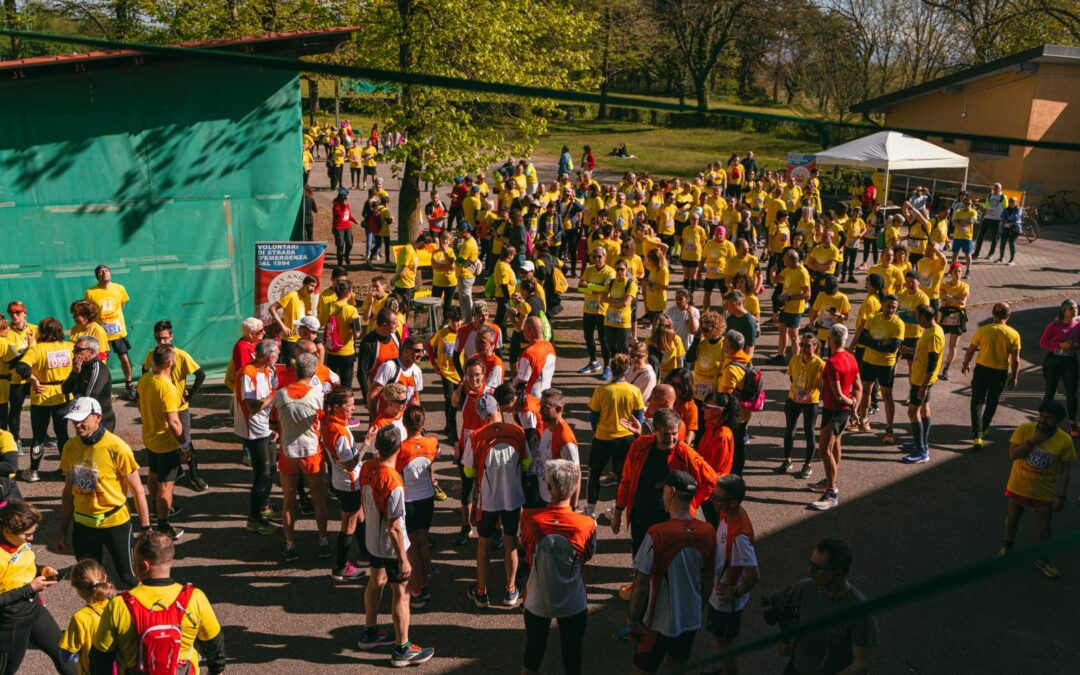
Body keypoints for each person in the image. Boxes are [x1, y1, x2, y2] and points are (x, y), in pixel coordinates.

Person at [89, 530, 226, 674]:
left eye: (134, 561)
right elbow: (215, 646)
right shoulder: (194, 598)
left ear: (144, 566)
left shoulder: (119, 605)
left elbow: (100, 658)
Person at [358, 426, 435, 665]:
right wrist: (403, 557)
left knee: (375, 581)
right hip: (389, 545)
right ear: (398, 448)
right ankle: (403, 649)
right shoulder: (393, 482)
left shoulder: (369, 467)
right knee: (401, 594)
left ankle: (370, 631)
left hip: (372, 539)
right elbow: (394, 526)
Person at [54, 397, 150, 589]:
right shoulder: (70, 447)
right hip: (83, 525)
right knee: (90, 581)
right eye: (74, 419)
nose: (77, 424)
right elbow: (68, 492)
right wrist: (62, 531)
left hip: (115, 524)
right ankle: (100, 617)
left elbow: (138, 490)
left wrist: (146, 528)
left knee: (129, 578)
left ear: (98, 417)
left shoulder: (117, 447)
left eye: (82, 419)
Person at [627, 471, 716, 675]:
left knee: (640, 671)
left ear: (672, 492)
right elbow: (709, 580)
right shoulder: (708, 531)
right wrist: (696, 607)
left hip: (656, 623)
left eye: (665, 492)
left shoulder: (657, 534)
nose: (663, 497)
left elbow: (640, 587)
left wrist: (632, 622)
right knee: (677, 668)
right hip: (689, 620)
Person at [520, 459, 595, 675]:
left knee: (532, 655)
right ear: (573, 490)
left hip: (537, 599)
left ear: (549, 488)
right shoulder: (586, 525)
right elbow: (588, 555)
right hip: (573, 602)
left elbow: (525, 546)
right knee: (573, 658)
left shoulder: (529, 518)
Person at [462, 395, 530, 608]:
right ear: (498, 408)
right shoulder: (518, 431)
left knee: (484, 545)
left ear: (482, 416)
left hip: (488, 501)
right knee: (510, 543)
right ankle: (510, 591)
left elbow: (468, 470)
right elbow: (527, 463)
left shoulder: (476, 436)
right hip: (513, 498)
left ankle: (482, 592)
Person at [1000, 400, 1074, 578]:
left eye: (1048, 419)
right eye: (1041, 416)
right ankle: (1007, 547)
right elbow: (1013, 454)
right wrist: (1033, 441)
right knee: (1013, 516)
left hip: (1044, 491)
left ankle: (1042, 558)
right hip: (1019, 485)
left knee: (1044, 525)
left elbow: (1065, 470)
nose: (1042, 421)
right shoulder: (1025, 429)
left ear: (1058, 421)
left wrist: (1061, 495)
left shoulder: (1065, 440)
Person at [782, 539, 877, 674]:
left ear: (838, 573)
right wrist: (784, 642)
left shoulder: (859, 611)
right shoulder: (803, 589)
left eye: (817, 568)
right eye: (810, 562)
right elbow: (790, 623)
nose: (809, 570)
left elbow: (861, 664)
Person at [0, 501, 73, 675]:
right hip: (11, 621)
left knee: (65, 652)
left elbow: (22, 567)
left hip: (35, 609)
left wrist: (41, 569)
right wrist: (30, 588)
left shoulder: (17, 541)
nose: (31, 539)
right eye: (27, 535)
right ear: (7, 531)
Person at [272, 353, 329, 562]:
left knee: (288, 502)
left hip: (288, 452)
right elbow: (323, 422)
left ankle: (290, 545)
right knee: (318, 500)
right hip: (312, 452)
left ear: (295, 371)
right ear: (313, 372)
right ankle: (323, 541)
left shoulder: (280, 395)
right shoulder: (317, 395)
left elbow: (273, 421)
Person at [143, 320, 207, 492]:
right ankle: (175, 471)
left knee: (185, 441)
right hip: (161, 407)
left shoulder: (181, 355)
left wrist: (189, 396)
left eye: (165, 338)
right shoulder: (152, 354)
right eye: (158, 338)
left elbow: (200, 374)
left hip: (179, 409)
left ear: (171, 336)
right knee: (166, 441)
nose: (162, 342)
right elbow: (144, 370)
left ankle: (195, 476)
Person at [707, 474, 759, 675]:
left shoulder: (740, 536)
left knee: (725, 648)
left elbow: (754, 575)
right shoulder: (729, 514)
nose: (712, 500)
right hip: (718, 595)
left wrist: (735, 592)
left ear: (732, 502)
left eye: (717, 497)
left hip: (726, 603)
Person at [13, 316, 73, 482]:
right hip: (63, 395)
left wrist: (32, 378)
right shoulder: (70, 347)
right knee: (63, 434)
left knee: (38, 436)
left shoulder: (37, 349)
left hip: (41, 397)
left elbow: (21, 367)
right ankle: (66, 469)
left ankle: (33, 471)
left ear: (42, 332)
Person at [136, 345, 187, 541]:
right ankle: (163, 525)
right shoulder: (167, 387)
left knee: (153, 473)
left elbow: (140, 405)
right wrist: (184, 444)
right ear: (170, 362)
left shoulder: (145, 379)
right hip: (166, 443)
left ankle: (155, 508)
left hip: (149, 437)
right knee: (167, 484)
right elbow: (174, 422)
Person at [586, 354, 645, 518]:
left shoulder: (601, 390)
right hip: (626, 438)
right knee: (622, 476)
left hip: (603, 437)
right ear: (628, 370)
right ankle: (618, 511)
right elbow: (639, 417)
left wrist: (595, 431)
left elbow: (594, 416)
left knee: (595, 473)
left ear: (611, 369)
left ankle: (590, 510)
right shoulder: (634, 391)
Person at [810, 325, 861, 511]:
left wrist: (851, 403)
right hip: (841, 410)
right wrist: (855, 406)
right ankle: (831, 480)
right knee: (836, 443)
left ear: (830, 340)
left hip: (835, 411)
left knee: (825, 450)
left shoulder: (832, 362)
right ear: (845, 339)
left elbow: (838, 395)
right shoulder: (850, 357)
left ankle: (831, 492)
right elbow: (859, 386)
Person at [321, 386, 368, 581]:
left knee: (360, 516)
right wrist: (366, 444)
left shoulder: (328, 422)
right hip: (349, 483)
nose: (354, 408)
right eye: (350, 405)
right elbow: (350, 463)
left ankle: (366, 554)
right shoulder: (338, 431)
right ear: (337, 407)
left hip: (342, 481)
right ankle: (340, 567)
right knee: (348, 525)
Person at [396, 406, 440, 608]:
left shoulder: (401, 448)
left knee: (412, 544)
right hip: (427, 499)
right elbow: (431, 465)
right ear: (422, 424)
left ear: (404, 424)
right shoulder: (433, 443)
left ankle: (415, 588)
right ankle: (425, 582)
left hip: (409, 500)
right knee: (423, 541)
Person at [235, 339, 280, 536]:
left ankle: (264, 506)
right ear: (269, 356)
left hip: (265, 428)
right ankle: (254, 519)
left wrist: (272, 424)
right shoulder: (248, 374)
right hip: (254, 431)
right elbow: (253, 406)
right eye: (276, 354)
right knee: (262, 474)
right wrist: (275, 395)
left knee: (271, 469)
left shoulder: (267, 371)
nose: (278, 357)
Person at [963, 302, 1021, 450]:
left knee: (977, 401)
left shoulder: (983, 330)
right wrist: (1014, 376)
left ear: (993, 314)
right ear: (1008, 316)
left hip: (982, 369)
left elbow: (970, 350)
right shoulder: (1014, 334)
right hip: (1000, 372)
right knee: (992, 401)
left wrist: (965, 363)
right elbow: (1016, 359)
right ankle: (986, 427)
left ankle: (977, 435)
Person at [853, 295, 903, 443]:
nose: (891, 310)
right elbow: (862, 338)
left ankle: (889, 429)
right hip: (868, 361)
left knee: (887, 396)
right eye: (888, 306)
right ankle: (864, 420)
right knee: (866, 390)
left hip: (886, 364)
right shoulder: (874, 318)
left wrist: (873, 342)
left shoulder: (899, 324)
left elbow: (892, 347)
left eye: (894, 307)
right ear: (882, 305)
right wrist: (881, 343)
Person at [84, 264, 135, 399]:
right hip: (101, 334)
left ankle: (130, 384)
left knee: (124, 358)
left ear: (110, 273)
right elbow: (88, 311)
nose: (104, 273)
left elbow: (121, 306)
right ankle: (103, 388)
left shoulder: (120, 288)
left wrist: (113, 320)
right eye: (100, 272)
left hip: (118, 332)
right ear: (97, 276)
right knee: (101, 362)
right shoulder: (90, 292)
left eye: (106, 270)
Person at [902, 305, 944, 464]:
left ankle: (921, 451)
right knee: (924, 410)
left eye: (918, 318)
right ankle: (920, 442)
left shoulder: (934, 335)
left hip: (922, 381)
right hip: (921, 379)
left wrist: (924, 387)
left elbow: (932, 363)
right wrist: (910, 350)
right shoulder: (932, 330)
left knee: (912, 412)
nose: (916, 321)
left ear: (926, 318)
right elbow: (925, 354)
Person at [779, 331, 825, 476]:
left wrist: (810, 394)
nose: (804, 348)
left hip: (811, 402)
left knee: (809, 432)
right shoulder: (795, 359)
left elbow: (822, 385)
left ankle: (807, 464)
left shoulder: (820, 364)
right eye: (802, 344)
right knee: (789, 430)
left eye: (808, 345)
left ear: (815, 346)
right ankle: (787, 460)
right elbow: (792, 378)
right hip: (793, 399)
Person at [59, 558, 116, 674]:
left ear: (79, 590)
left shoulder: (81, 618)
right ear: (104, 577)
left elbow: (66, 656)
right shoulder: (120, 604)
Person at [1039, 300, 1080, 435]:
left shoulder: (1078, 324)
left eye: (1076, 308)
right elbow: (1043, 342)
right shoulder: (1055, 324)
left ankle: (1072, 424)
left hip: (1070, 361)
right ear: (1064, 311)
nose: (1075, 311)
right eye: (1071, 309)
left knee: (1072, 394)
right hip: (1054, 360)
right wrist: (1059, 345)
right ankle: (1042, 420)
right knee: (1050, 391)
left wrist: (1074, 346)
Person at [717, 330, 754, 476]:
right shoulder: (746, 359)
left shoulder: (731, 368)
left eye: (725, 343)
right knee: (738, 445)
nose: (723, 345)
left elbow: (726, 397)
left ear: (730, 347)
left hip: (733, 415)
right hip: (744, 413)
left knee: (734, 447)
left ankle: (735, 474)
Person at [62, 336, 115, 433]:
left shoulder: (97, 369)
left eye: (78, 350)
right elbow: (64, 389)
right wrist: (74, 373)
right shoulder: (80, 366)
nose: (74, 352)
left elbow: (89, 399)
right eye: (74, 349)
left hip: (100, 421)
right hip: (84, 417)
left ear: (91, 352)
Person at [578, 246, 616, 377]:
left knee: (603, 339)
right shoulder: (589, 270)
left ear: (605, 257)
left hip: (602, 310)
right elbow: (579, 286)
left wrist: (588, 287)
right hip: (588, 308)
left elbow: (606, 289)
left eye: (600, 256)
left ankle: (607, 366)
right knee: (588, 336)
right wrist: (595, 289)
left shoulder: (610, 272)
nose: (597, 259)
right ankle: (593, 362)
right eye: (595, 257)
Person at [772, 249, 811, 364]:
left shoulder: (802, 273)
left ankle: (796, 361)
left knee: (793, 335)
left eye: (784, 259)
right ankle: (780, 356)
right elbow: (775, 280)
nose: (783, 260)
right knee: (782, 330)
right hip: (785, 307)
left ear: (790, 260)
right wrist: (772, 272)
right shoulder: (788, 269)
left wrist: (790, 298)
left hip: (795, 309)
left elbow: (807, 294)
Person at [269, 274, 317, 366]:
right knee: (291, 367)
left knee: (302, 367)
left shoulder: (308, 298)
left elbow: (308, 316)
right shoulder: (292, 295)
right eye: (311, 285)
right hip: (290, 339)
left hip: (302, 339)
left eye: (314, 287)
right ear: (304, 284)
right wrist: (283, 327)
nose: (312, 289)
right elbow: (272, 309)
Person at [937, 262, 969, 380]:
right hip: (944, 315)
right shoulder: (944, 285)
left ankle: (946, 368)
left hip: (958, 317)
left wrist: (950, 298)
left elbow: (963, 302)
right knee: (939, 343)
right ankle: (935, 365)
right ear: (950, 273)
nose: (957, 274)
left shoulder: (965, 286)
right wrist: (956, 299)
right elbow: (943, 301)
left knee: (953, 345)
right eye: (955, 271)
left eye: (960, 271)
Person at [513, 316, 557, 400]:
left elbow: (521, 384)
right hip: (547, 397)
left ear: (529, 330)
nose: (522, 330)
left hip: (532, 399)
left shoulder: (529, 354)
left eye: (524, 328)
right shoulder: (550, 346)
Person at [68, 300, 110, 364]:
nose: (73, 317)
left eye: (76, 315)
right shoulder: (74, 329)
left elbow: (102, 355)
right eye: (73, 314)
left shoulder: (98, 330)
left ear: (86, 315)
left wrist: (97, 369)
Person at [974, 183, 1007, 260]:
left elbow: (1005, 208)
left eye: (997, 188)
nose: (995, 189)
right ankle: (976, 253)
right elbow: (986, 205)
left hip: (997, 220)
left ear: (1000, 189)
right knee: (980, 236)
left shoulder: (1003, 197)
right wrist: (981, 206)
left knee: (994, 238)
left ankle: (990, 254)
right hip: (987, 218)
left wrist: (1003, 219)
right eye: (994, 187)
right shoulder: (990, 195)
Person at [331, 189, 359, 266]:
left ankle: (346, 255)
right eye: (347, 195)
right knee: (340, 245)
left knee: (349, 244)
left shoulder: (347, 205)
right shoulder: (336, 206)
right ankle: (340, 261)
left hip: (347, 227)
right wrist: (344, 205)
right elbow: (339, 215)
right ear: (343, 197)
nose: (349, 196)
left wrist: (354, 220)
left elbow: (348, 215)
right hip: (339, 228)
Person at [995, 196, 1024, 265]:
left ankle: (1012, 260)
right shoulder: (1006, 209)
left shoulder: (1018, 209)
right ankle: (1001, 258)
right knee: (1002, 243)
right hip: (1005, 227)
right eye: (1010, 202)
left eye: (1013, 202)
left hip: (1015, 228)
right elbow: (1001, 217)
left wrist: (1007, 219)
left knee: (1011, 242)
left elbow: (1016, 217)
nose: (1011, 203)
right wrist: (1007, 221)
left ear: (1016, 202)